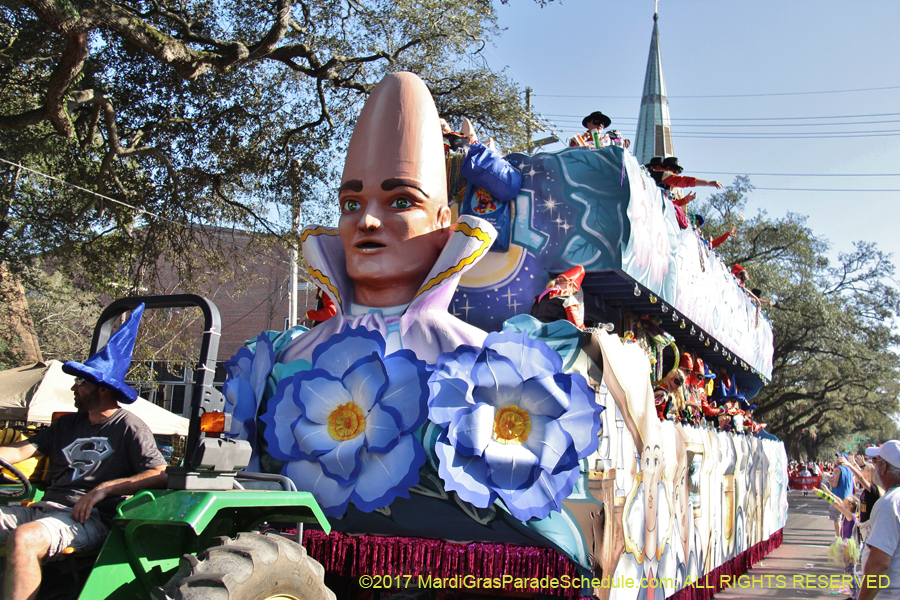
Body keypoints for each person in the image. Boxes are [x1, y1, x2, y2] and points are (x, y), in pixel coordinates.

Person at [278, 72, 498, 367]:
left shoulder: (482, 363)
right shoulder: (292, 360)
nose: (367, 221)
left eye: (401, 201)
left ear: (442, 222)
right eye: (351, 204)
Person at [0, 304, 168, 600]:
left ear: (102, 389)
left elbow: (159, 472)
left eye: (81, 382)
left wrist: (102, 490)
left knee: (25, 539)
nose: (74, 388)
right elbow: (22, 451)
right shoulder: (67, 424)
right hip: (46, 510)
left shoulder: (129, 426)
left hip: (89, 520)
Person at [858, 441, 900, 600]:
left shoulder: (889, 504)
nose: (873, 467)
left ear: (884, 467)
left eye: (875, 461)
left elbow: (879, 564)